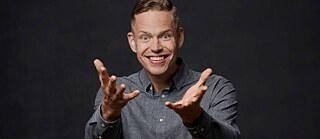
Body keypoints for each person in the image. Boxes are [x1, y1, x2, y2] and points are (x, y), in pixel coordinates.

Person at [85, 0, 240, 138]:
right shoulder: (114, 94)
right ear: (133, 42)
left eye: (165, 36)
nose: (156, 47)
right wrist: (108, 116)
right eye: (145, 37)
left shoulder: (216, 90)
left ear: (179, 37)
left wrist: (196, 119)